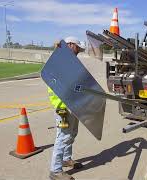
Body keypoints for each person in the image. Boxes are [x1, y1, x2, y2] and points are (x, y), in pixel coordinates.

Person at [49, 36, 86, 180]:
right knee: (63, 137)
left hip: (73, 105)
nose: (79, 52)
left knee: (72, 133)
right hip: (63, 107)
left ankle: (66, 159)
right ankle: (55, 170)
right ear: (70, 45)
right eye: (77, 48)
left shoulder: (72, 62)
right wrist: (59, 46)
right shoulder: (59, 60)